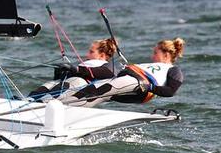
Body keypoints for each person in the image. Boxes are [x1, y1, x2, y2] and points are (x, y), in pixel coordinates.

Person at [56, 38, 185, 107]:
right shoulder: (151, 64)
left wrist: (149, 87)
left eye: (155, 53)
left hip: (139, 84)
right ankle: (59, 109)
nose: (152, 56)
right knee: (96, 95)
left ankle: (56, 106)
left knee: (94, 90)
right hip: (128, 82)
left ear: (167, 55)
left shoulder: (173, 69)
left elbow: (170, 91)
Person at [29, 38, 118, 99]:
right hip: (65, 84)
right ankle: (30, 99)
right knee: (51, 83)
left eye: (91, 52)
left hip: (81, 87)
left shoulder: (107, 65)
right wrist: (59, 71)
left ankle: (43, 101)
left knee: (75, 80)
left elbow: (109, 73)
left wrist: (77, 70)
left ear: (102, 55)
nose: (87, 54)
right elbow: (62, 77)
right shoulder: (84, 63)